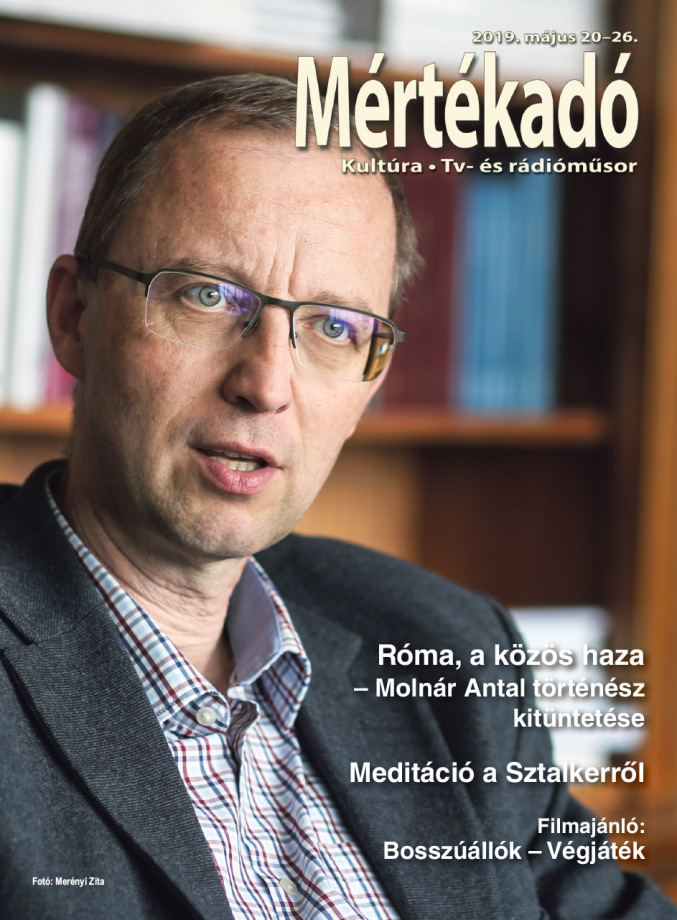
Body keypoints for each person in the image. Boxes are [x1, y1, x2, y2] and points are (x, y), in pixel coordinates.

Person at [0, 73, 674, 920]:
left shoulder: (446, 650)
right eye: (206, 294)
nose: (265, 383)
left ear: (369, 384)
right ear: (73, 316)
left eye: (332, 327)